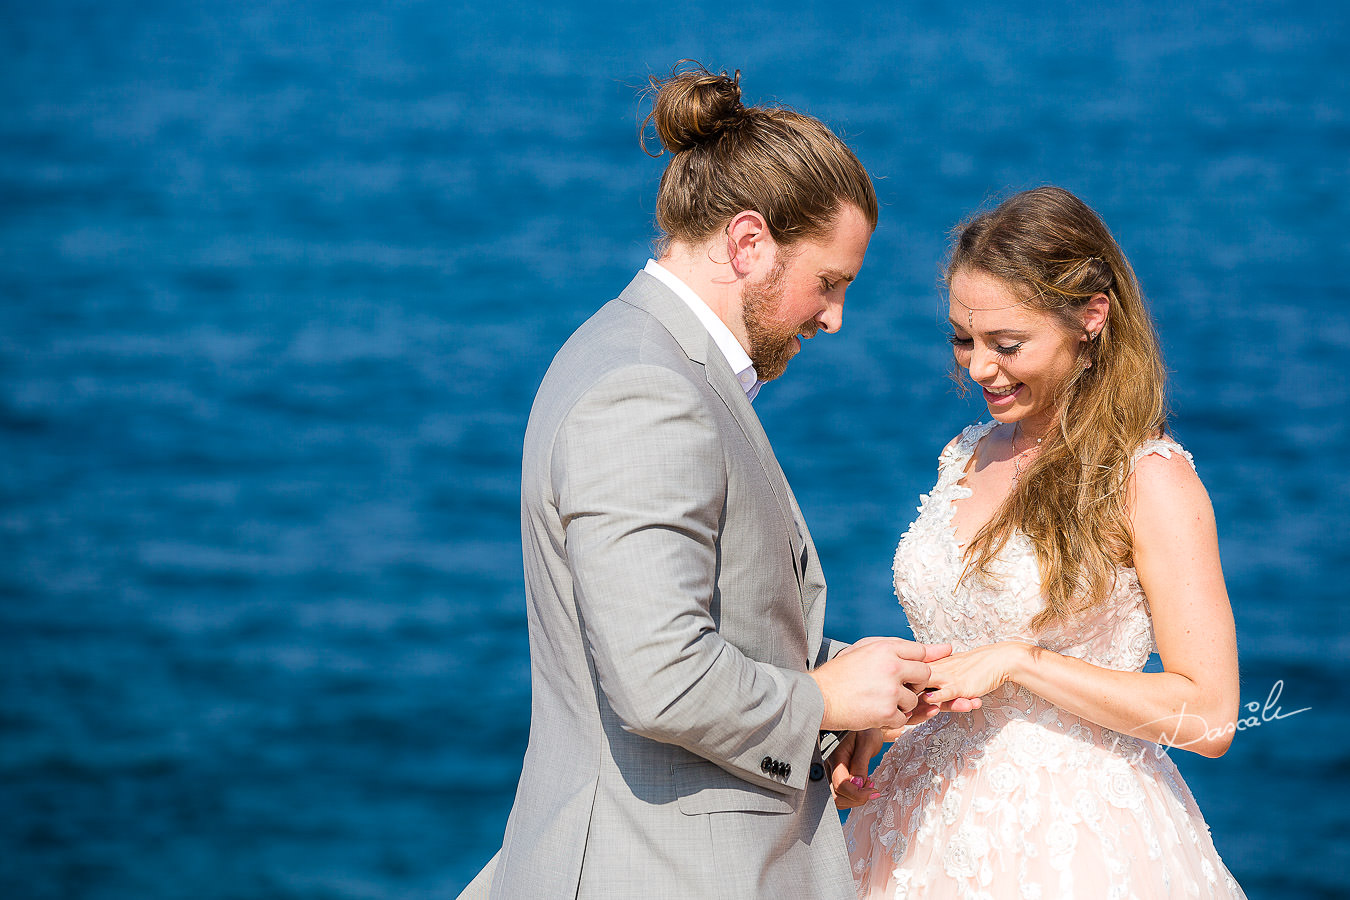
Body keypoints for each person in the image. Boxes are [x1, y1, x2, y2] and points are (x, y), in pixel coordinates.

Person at [459, 63, 970, 900]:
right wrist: (820, 700)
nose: (834, 317)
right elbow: (660, 676)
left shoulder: (639, 358)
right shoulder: (645, 392)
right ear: (747, 243)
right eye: (829, 282)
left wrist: (852, 680)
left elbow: (700, 625)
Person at [844, 186, 1246, 898]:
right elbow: (965, 657)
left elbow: (1208, 715)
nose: (978, 368)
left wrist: (1021, 663)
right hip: (916, 825)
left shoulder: (1148, 480)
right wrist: (885, 718)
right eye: (963, 341)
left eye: (1007, 345)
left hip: (1074, 841)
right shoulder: (966, 452)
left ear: (1091, 317)